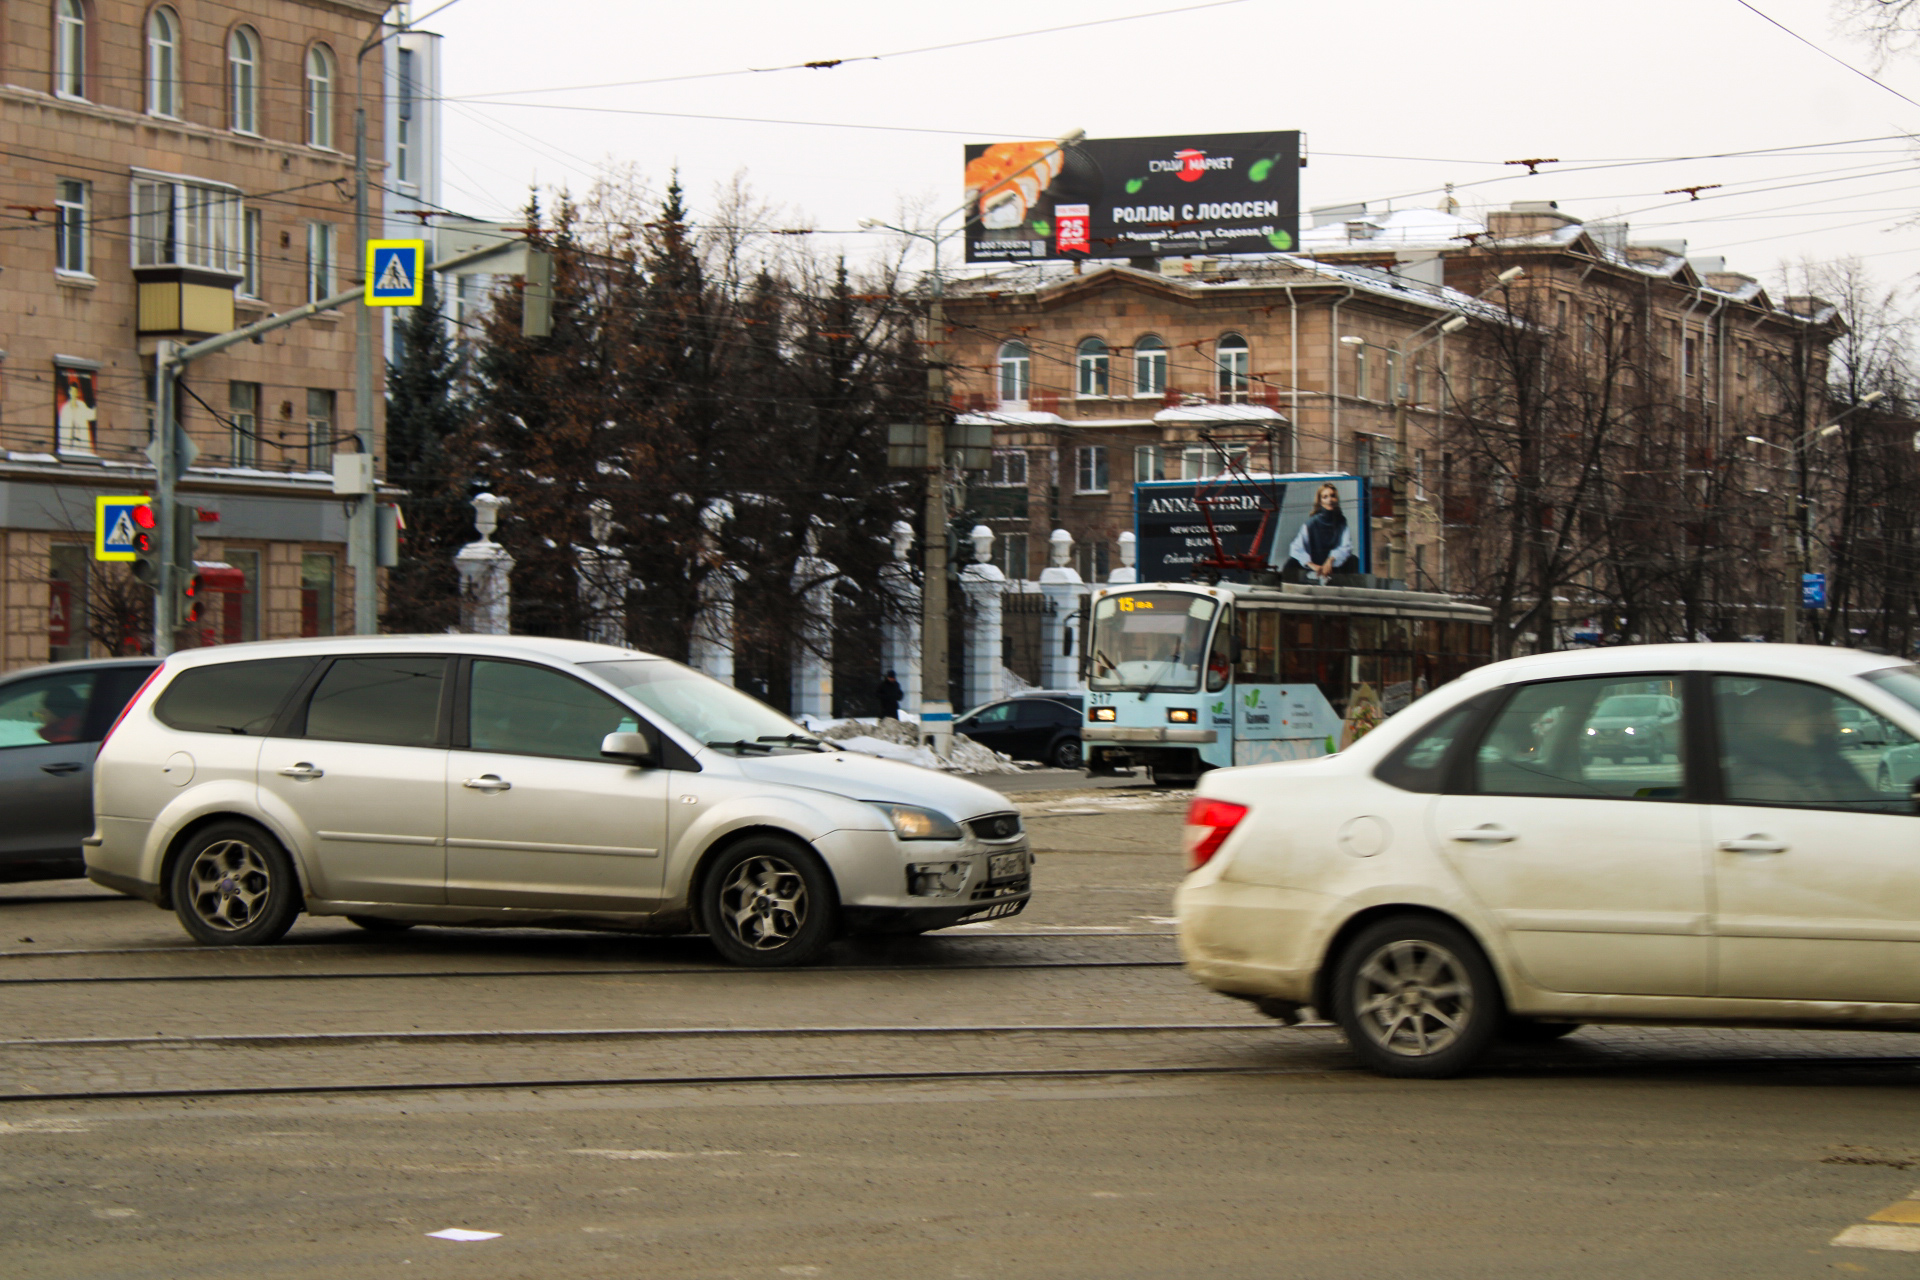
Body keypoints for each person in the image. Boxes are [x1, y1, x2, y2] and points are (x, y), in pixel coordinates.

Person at [1284, 483, 1353, 584]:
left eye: (1332, 496)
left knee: (1353, 560)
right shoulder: (1312, 523)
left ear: (1336, 499)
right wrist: (1312, 565)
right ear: (1320, 501)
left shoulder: (1342, 522)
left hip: (1334, 564)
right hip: (1314, 565)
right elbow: (1296, 547)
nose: (1330, 500)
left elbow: (1346, 546)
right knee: (1291, 563)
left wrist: (1330, 560)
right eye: (1325, 497)